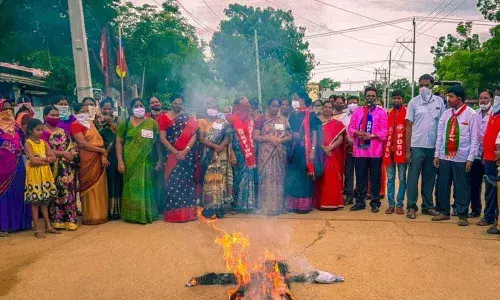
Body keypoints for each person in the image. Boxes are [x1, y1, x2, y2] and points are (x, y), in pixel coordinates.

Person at [432, 86, 479, 226]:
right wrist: (436, 154)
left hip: (462, 158)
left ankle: (462, 214)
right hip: (445, 157)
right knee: (443, 185)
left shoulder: (471, 115)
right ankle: (444, 212)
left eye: (451, 96)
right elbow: (440, 136)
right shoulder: (446, 115)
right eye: (448, 96)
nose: (448, 99)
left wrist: (471, 158)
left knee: (462, 187)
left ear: (459, 98)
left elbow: (475, 139)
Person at [405, 74, 445, 219]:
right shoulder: (413, 102)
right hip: (417, 146)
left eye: (427, 85)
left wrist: (440, 149)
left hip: (433, 147)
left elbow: (442, 125)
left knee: (429, 178)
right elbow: (408, 126)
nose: (424, 88)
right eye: (421, 85)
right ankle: (411, 206)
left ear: (432, 86)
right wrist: (407, 150)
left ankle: (427, 206)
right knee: (413, 178)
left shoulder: (439, 102)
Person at [115, 98, 160, 224]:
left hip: (147, 161)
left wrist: (160, 160)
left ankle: (147, 213)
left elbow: (157, 143)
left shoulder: (152, 123)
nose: (139, 108)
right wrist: (120, 161)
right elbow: (118, 141)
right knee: (132, 187)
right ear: (131, 108)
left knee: (147, 186)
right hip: (129, 160)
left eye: (141, 105)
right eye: (136, 106)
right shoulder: (126, 122)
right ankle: (132, 214)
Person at [348, 87, 388, 213]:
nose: (370, 97)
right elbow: (350, 127)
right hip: (359, 152)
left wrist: (372, 135)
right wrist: (356, 132)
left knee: (375, 178)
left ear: (376, 97)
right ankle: (360, 202)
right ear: (364, 97)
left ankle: (375, 202)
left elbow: (385, 131)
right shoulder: (357, 112)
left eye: (373, 95)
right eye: (368, 95)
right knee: (360, 177)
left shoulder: (381, 112)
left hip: (375, 151)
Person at [159, 94, 198, 223]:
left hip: (186, 156)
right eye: (175, 103)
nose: (178, 105)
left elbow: (194, 135)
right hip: (172, 156)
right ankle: (174, 215)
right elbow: (162, 138)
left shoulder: (188, 118)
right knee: (172, 184)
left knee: (186, 184)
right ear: (171, 103)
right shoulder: (164, 118)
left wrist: (185, 150)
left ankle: (188, 214)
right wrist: (176, 152)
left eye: (180, 103)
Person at [71, 103, 109, 225]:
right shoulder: (75, 125)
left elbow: (100, 141)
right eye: (82, 111)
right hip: (86, 159)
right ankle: (90, 216)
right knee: (88, 186)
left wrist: (103, 154)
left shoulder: (91, 124)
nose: (85, 113)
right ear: (76, 113)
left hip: (98, 159)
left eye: (87, 111)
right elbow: (82, 143)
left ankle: (101, 215)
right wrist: (101, 151)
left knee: (99, 187)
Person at [42, 105, 79, 231]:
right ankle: (58, 220)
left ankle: (71, 220)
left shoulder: (63, 131)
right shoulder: (42, 132)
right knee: (56, 193)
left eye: (57, 115)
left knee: (68, 192)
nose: (55, 117)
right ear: (44, 116)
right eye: (52, 115)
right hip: (53, 167)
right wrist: (62, 154)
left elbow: (71, 145)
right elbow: (45, 149)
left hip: (67, 167)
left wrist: (71, 154)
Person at [285, 91, 322, 213]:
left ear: (303, 99)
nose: (294, 100)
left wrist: (312, 151)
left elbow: (315, 134)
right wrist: (291, 135)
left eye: (296, 98)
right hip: (293, 150)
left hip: (306, 151)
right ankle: (293, 204)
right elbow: (288, 130)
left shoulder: (311, 115)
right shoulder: (292, 115)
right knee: (293, 175)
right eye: (293, 98)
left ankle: (304, 205)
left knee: (304, 177)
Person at [0, 99, 32, 237]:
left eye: (9, 108)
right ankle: (4, 226)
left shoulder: (17, 127)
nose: (8, 111)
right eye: (4, 109)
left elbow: (24, 143)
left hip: (18, 166)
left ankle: (22, 223)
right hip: (2, 169)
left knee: (20, 193)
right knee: (4, 196)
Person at [255, 98, 292, 215]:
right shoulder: (261, 119)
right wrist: (269, 139)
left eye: (277, 106)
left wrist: (280, 140)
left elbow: (290, 136)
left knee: (278, 178)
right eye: (273, 106)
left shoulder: (283, 120)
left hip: (279, 152)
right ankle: (265, 206)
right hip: (265, 153)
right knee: (266, 178)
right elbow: (255, 136)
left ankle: (278, 207)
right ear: (268, 106)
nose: (276, 108)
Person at [24, 119, 59, 238]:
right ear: (30, 130)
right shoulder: (28, 143)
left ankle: (48, 226)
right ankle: (37, 229)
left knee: (44, 202)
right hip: (34, 176)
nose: (40, 132)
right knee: (35, 203)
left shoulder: (44, 142)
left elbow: (53, 157)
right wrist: (45, 159)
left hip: (44, 174)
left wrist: (41, 159)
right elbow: (33, 161)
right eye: (37, 130)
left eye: (41, 129)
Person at [198, 100, 233, 218]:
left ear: (218, 109)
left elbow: (227, 138)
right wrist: (215, 147)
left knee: (220, 181)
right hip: (207, 154)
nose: (212, 109)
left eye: (214, 107)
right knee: (208, 181)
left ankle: (219, 208)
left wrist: (219, 148)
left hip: (220, 155)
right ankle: (208, 208)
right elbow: (202, 139)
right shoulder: (201, 122)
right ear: (206, 108)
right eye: (210, 106)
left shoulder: (224, 123)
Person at [227, 97, 258, 213]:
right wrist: (232, 154)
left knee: (249, 178)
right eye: (245, 103)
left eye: (248, 103)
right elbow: (229, 138)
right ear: (238, 106)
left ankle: (248, 205)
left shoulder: (250, 120)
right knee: (237, 179)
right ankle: (236, 205)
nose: (248, 105)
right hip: (237, 153)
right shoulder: (231, 120)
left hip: (249, 153)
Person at [95, 97, 123, 220]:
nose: (107, 110)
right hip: (102, 156)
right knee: (105, 182)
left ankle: (118, 210)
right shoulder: (95, 122)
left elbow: (121, 136)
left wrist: (111, 123)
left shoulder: (119, 120)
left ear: (113, 109)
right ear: (100, 109)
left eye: (109, 108)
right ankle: (106, 210)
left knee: (117, 181)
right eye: (104, 108)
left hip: (116, 155)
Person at [314, 101, 345, 210]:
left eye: (330, 107)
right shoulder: (316, 122)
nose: (327, 109)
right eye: (325, 107)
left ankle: (331, 202)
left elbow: (340, 139)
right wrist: (321, 147)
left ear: (332, 109)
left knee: (330, 177)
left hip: (331, 154)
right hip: (318, 154)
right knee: (319, 176)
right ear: (322, 108)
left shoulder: (337, 124)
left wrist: (330, 147)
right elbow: (312, 137)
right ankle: (318, 202)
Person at [383, 91, 408, 215]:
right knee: (390, 179)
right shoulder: (388, 114)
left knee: (402, 179)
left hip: (402, 151)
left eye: (398, 98)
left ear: (402, 99)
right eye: (394, 98)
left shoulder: (408, 113)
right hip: (389, 151)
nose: (396, 100)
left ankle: (400, 204)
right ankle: (391, 204)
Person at [470, 90, 493, 219]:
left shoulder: (494, 115)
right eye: (481, 98)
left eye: (485, 98)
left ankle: (490, 213)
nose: (483, 100)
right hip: (476, 154)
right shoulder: (475, 114)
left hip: (489, 155)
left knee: (490, 186)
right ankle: (475, 210)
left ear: (491, 100)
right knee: (474, 184)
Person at [481, 85, 500, 234]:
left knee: (497, 191)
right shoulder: (493, 114)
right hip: (488, 157)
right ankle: (489, 216)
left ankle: (496, 220)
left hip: (498, 159)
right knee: (489, 190)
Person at [343, 96, 359, 205]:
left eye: (354, 102)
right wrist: (348, 140)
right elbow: (341, 130)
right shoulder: (343, 117)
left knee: (360, 172)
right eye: (350, 102)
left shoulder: (363, 115)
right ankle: (349, 195)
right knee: (348, 171)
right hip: (347, 147)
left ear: (358, 104)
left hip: (360, 147)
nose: (352, 104)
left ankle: (359, 195)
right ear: (347, 104)